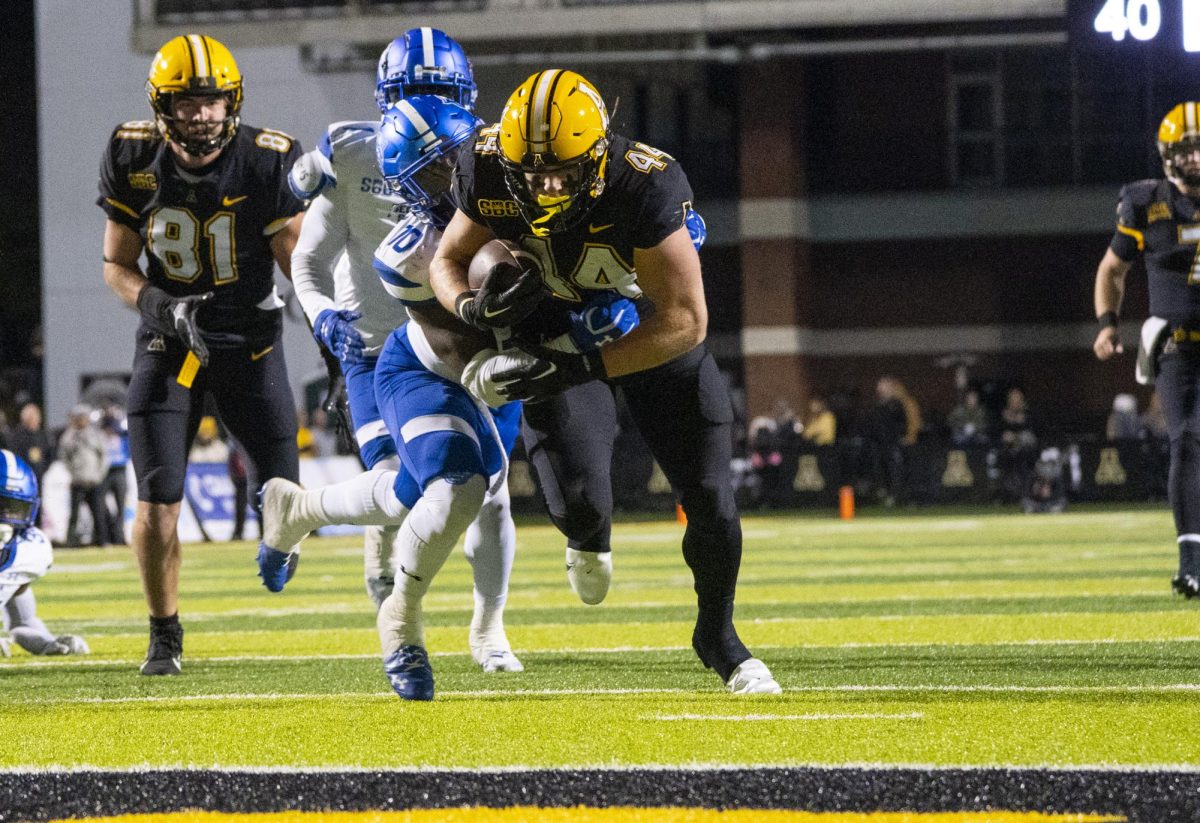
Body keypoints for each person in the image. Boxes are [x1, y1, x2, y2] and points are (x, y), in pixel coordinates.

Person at [428, 69, 781, 694]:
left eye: (563, 170)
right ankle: (589, 536)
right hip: (561, 331)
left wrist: (578, 367)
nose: (547, 185)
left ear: (598, 153)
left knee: (711, 500)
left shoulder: (644, 182)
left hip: (648, 338)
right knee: (581, 506)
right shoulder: (485, 168)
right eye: (533, 174)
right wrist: (469, 308)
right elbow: (448, 261)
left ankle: (719, 636)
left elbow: (686, 321)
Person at [97, 34, 307, 674]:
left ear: (231, 102)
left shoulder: (268, 161)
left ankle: (272, 517)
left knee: (284, 506)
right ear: (163, 107)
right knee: (158, 503)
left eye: (211, 101)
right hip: (170, 345)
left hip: (248, 344)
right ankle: (165, 634)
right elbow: (116, 265)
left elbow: (304, 271)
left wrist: (339, 355)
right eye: (186, 102)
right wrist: (163, 307)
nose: (200, 114)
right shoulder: (132, 154)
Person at [285, 27, 476, 606]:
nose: (427, 104)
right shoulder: (349, 152)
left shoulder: (481, 158)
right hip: (373, 346)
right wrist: (322, 318)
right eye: (413, 89)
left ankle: (487, 627)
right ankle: (376, 541)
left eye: (439, 91)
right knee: (399, 475)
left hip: (454, 344)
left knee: (479, 489)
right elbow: (307, 258)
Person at [1093, 100, 1200, 599]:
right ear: (1166, 155)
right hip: (1175, 349)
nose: (1195, 158)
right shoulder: (1146, 202)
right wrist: (1107, 324)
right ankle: (1191, 560)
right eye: (1186, 148)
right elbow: (1112, 270)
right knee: (1185, 440)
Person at [0, 450, 89, 658]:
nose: (5, 519)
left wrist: (41, 640)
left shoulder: (29, 546)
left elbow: (22, 618)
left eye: (13, 509)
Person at [58, 404, 110, 548]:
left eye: (83, 417)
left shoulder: (96, 434)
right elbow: (64, 457)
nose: (81, 420)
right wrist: (72, 473)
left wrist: (99, 475)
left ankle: (102, 540)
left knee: (98, 513)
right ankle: (70, 542)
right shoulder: (69, 436)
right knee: (74, 514)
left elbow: (104, 456)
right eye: (78, 417)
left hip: (94, 480)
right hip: (77, 481)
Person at [99, 405, 130, 545]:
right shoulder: (100, 432)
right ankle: (107, 534)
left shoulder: (122, 433)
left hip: (119, 470)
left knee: (121, 506)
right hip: (104, 471)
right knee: (99, 503)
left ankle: (119, 536)